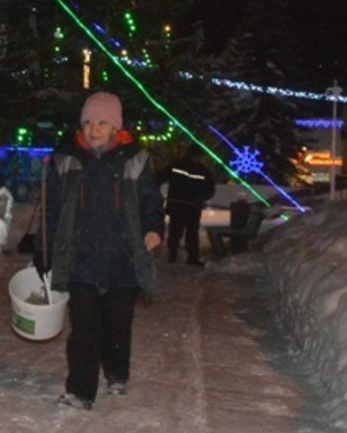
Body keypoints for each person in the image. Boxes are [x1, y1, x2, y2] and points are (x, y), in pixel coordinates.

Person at [37, 91, 164, 410]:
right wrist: (44, 248)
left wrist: (153, 229)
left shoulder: (135, 159)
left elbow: (151, 200)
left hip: (122, 257)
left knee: (118, 324)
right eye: (88, 122)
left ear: (115, 127)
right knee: (84, 327)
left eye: (102, 123)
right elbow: (51, 208)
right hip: (81, 257)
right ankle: (80, 391)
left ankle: (117, 372)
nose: (94, 129)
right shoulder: (66, 159)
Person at [160, 143, 214, 265]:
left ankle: (181, 257)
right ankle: (183, 257)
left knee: (183, 233)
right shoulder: (199, 170)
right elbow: (209, 189)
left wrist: (201, 198)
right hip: (185, 207)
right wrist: (201, 198)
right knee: (183, 233)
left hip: (185, 207)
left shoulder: (178, 166)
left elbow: (209, 189)